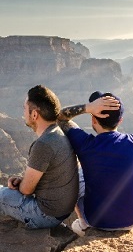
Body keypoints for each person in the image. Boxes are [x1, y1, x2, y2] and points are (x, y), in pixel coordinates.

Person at [58, 91, 133, 236]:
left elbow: (60, 118)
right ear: (120, 120)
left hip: (97, 221)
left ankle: (84, 224)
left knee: (75, 175)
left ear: (93, 120)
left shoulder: (85, 145)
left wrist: (87, 108)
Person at [0, 85, 79, 229]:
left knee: (1, 194)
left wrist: (21, 185)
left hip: (44, 215)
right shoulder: (60, 130)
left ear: (34, 115)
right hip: (61, 211)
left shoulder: (43, 144)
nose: (23, 113)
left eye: (25, 108)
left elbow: (26, 191)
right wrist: (23, 181)